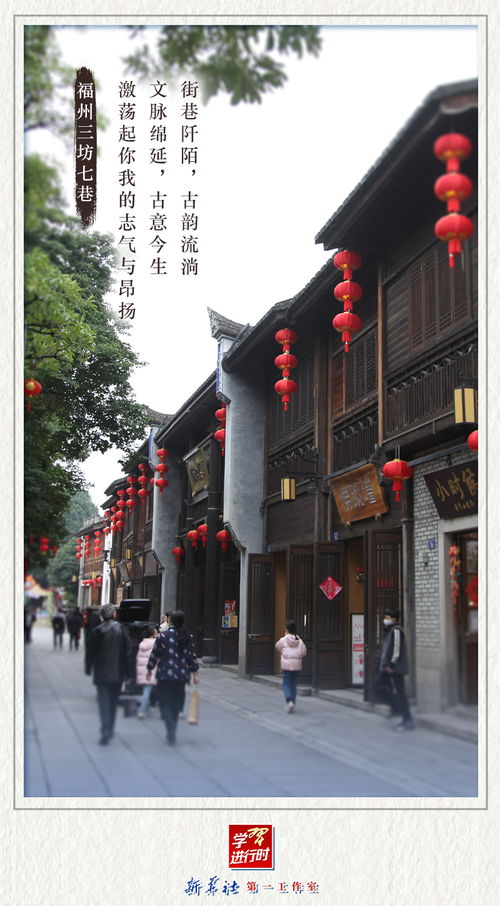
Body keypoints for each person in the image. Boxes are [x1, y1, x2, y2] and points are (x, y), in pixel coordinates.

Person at [146, 610, 199, 745]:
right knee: (176, 702)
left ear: (171, 621)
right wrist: (195, 674)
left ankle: (169, 725)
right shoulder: (188, 636)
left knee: (164, 701)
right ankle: (172, 727)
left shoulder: (163, 636)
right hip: (181, 675)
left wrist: (150, 668)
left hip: (165, 674)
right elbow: (192, 656)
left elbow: (155, 653)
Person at [85, 603, 132, 745]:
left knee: (104, 702)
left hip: (101, 672)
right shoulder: (122, 629)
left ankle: (106, 729)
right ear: (114, 615)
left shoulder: (97, 631)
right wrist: (128, 673)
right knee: (113, 701)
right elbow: (128, 652)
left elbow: (90, 651)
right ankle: (109, 728)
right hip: (117, 671)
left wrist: (88, 666)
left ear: (102, 616)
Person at [375, 607, 415, 731]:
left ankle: (407, 719)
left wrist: (392, 665)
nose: (384, 620)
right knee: (379, 687)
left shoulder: (397, 630)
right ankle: (396, 708)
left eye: (387, 618)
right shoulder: (390, 630)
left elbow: (396, 649)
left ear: (393, 619)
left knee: (400, 692)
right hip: (388, 666)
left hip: (395, 667)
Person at [275, 620, 307, 713]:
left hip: (287, 664)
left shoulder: (283, 640)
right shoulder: (299, 640)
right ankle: (293, 702)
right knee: (293, 684)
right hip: (296, 664)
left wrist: (284, 652)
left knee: (286, 683)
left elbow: (277, 646)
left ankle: (289, 700)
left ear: (287, 629)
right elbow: (304, 652)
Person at [135, 626, 158, 718]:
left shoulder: (142, 643)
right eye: (156, 632)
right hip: (152, 670)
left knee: (147, 689)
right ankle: (142, 710)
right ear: (152, 635)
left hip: (143, 670)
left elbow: (138, 658)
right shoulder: (156, 644)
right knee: (147, 690)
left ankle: (147, 708)